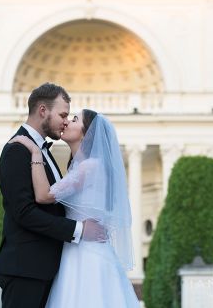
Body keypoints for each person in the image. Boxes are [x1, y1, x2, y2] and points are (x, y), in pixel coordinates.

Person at [10, 108, 140, 307]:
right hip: (79, 247)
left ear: (86, 133)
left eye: (75, 119)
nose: (67, 122)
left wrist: (35, 152)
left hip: (85, 254)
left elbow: (44, 196)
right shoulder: (82, 166)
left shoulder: (89, 167)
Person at [0, 83, 107, 308]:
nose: (66, 121)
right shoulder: (17, 149)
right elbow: (24, 213)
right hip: (25, 268)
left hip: (47, 268)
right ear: (43, 110)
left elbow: (52, 202)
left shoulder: (45, 151)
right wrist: (80, 229)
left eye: (70, 117)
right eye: (63, 114)